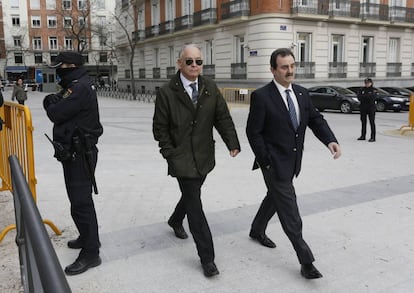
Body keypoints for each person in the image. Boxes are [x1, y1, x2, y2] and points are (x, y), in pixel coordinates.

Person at [246, 48, 342, 279]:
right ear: (273, 70)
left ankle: (257, 229)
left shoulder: (301, 93)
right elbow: (253, 132)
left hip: (293, 162)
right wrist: (266, 161)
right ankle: (306, 261)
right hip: (273, 163)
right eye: (284, 67)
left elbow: (315, 120)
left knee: (275, 197)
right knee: (290, 212)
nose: (290, 71)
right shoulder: (262, 96)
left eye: (292, 66)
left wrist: (330, 140)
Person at [153, 44, 240, 277]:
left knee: (192, 194)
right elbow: (159, 128)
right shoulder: (166, 92)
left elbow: (222, 117)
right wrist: (169, 153)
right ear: (179, 64)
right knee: (195, 205)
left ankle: (174, 220)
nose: (194, 66)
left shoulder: (210, 87)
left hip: (203, 157)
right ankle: (207, 258)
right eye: (189, 61)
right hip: (181, 158)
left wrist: (232, 142)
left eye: (198, 61)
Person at [43, 51, 103, 275]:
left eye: (61, 66)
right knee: (77, 201)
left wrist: (51, 103)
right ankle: (87, 238)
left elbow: (56, 112)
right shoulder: (76, 85)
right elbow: (57, 103)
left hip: (80, 154)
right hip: (73, 153)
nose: (58, 71)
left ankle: (91, 253)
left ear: (71, 66)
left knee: (81, 203)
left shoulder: (80, 88)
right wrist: (53, 101)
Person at [357, 78, 376, 142]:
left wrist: (364, 96)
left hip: (371, 108)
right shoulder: (362, 89)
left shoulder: (374, 90)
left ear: (371, 83)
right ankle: (363, 135)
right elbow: (359, 97)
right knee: (363, 122)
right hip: (363, 108)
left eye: (368, 83)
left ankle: (373, 137)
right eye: (365, 83)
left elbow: (371, 98)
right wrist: (365, 96)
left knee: (372, 122)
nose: (367, 84)